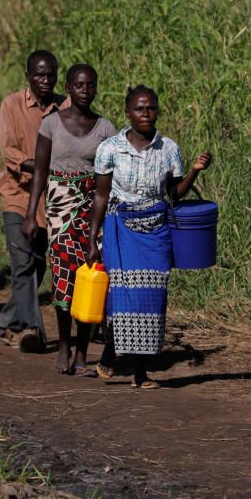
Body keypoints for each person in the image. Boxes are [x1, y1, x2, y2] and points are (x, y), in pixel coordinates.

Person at [87, 85, 212, 387]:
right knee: (124, 295)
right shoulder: (110, 148)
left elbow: (175, 194)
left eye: (150, 108)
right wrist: (93, 239)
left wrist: (195, 171)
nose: (145, 114)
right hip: (121, 227)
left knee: (151, 300)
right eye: (139, 109)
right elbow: (101, 197)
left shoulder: (168, 148)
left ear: (157, 111)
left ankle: (140, 373)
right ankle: (111, 351)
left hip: (157, 229)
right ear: (128, 113)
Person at [23, 64, 116, 375]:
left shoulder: (105, 128)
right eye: (79, 85)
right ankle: (64, 346)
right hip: (60, 208)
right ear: (68, 87)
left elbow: (112, 175)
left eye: (91, 85)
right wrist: (29, 213)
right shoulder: (51, 124)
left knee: (91, 279)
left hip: (94, 207)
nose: (85, 91)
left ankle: (82, 351)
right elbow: (39, 170)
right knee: (64, 277)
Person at [0, 50, 68, 352]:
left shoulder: (65, 106)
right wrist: (41, 166)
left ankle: (8, 322)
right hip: (18, 194)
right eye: (39, 74)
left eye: (50, 75)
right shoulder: (11, 105)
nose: (45, 80)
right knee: (23, 262)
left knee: (38, 266)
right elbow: (9, 151)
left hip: (50, 199)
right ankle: (31, 329)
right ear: (27, 76)